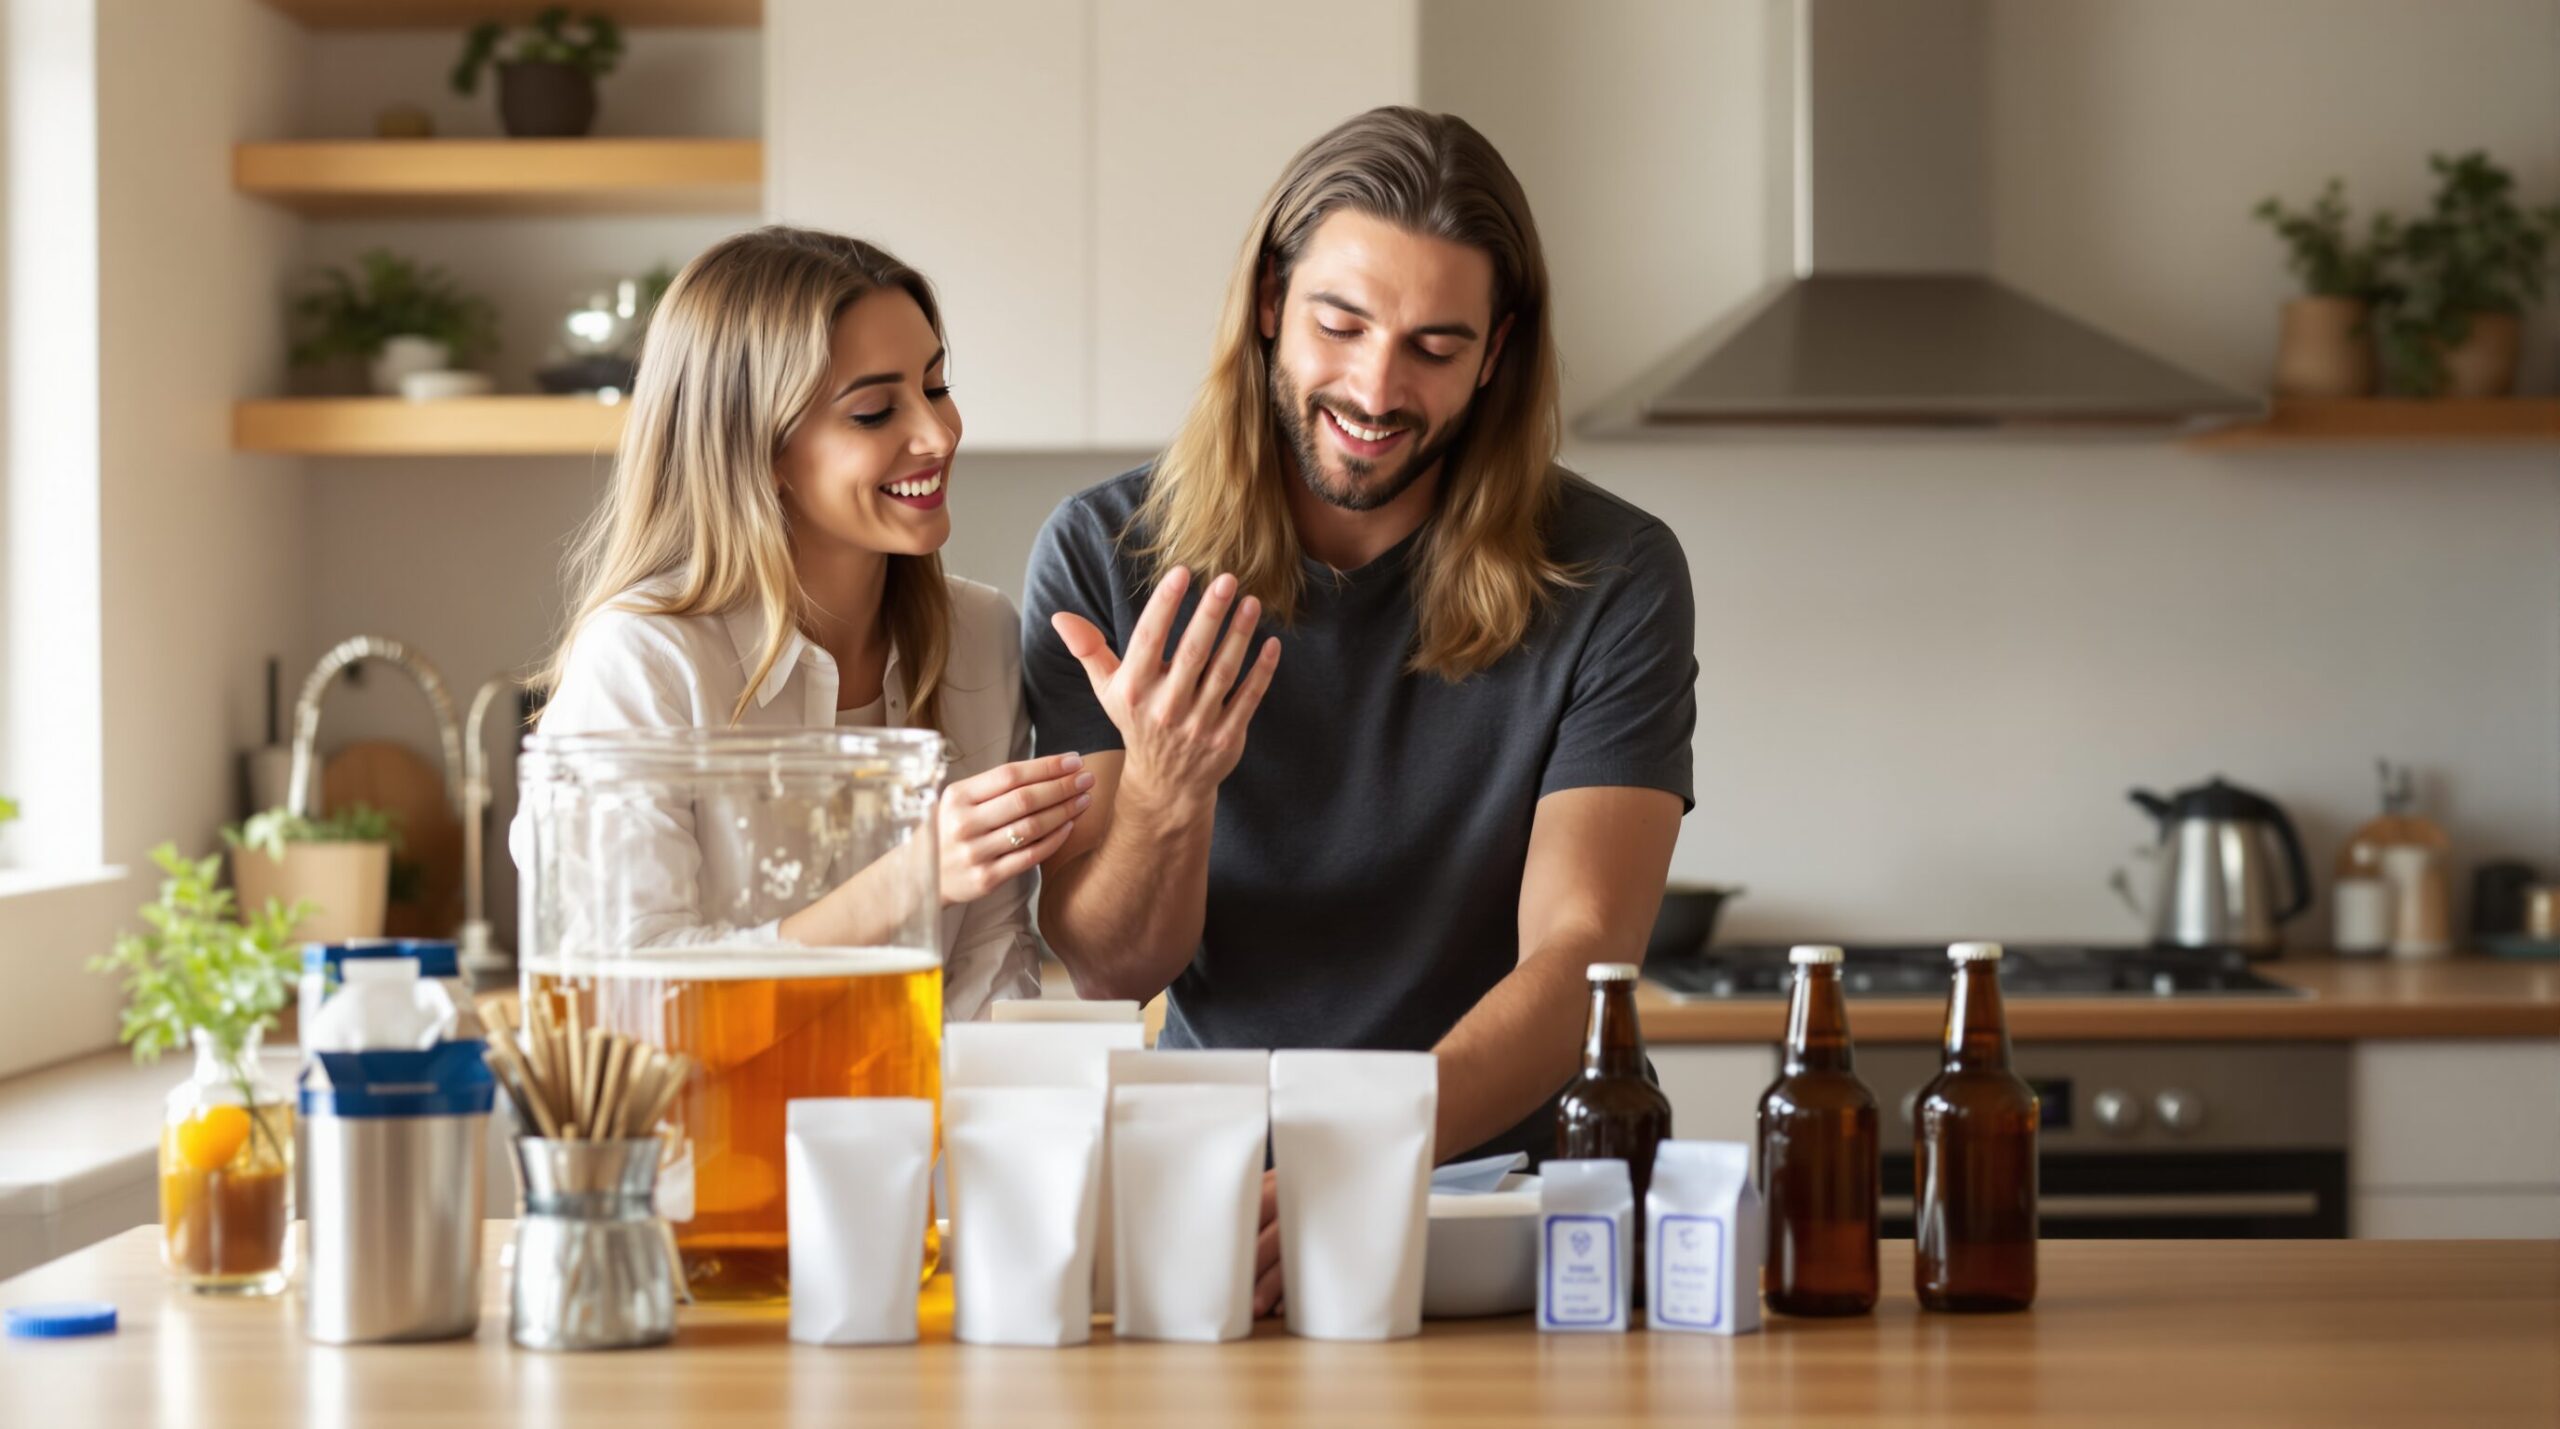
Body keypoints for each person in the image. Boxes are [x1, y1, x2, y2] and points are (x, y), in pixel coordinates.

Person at [1020, 108, 1697, 1309]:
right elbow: (1110, 964)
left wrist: (1371, 1148)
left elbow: (1586, 948)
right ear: (1272, 302)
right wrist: (1170, 792)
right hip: (1241, 1201)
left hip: (1514, 1210)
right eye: (1343, 324)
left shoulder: (1614, 571)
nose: (1378, 387)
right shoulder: (1107, 552)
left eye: (1436, 347)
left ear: (1495, 355)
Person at [529, 226, 1087, 1021]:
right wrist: (915, 873)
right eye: (872, 411)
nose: (937, 434)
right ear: (759, 448)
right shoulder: (642, 658)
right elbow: (631, 998)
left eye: (935, 386)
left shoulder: (980, 633)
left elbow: (991, 968)